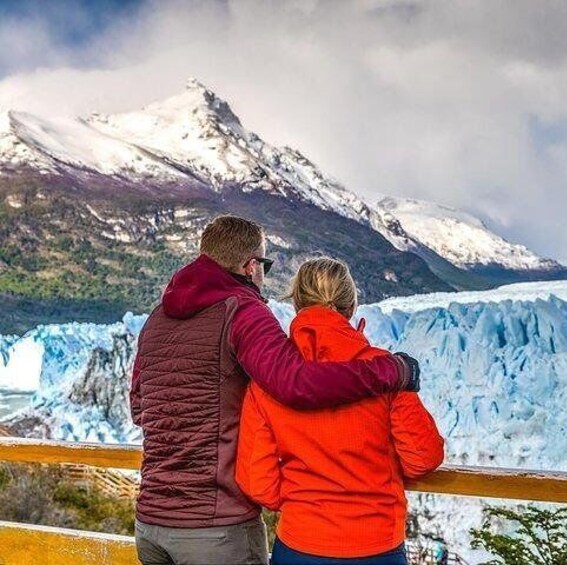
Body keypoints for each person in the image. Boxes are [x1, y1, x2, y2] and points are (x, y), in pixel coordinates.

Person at [130, 216, 421, 565]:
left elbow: (139, 408)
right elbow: (295, 383)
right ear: (251, 266)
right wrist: (393, 369)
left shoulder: (157, 318)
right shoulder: (243, 311)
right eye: (264, 264)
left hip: (151, 524)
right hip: (214, 529)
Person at [236, 257, 444, 565]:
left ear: (297, 303)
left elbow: (257, 483)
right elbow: (422, 458)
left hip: (300, 545)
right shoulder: (387, 372)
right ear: (351, 305)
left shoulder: (269, 382)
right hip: (377, 546)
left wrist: (304, 505)